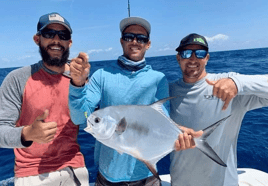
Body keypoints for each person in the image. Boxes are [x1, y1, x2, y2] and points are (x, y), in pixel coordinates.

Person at [69, 17, 202, 186]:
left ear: (148, 44)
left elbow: (161, 120)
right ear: (121, 41)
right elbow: (81, 117)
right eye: (129, 36)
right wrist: (77, 85)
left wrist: (180, 135)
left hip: (146, 176)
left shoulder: (158, 79)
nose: (134, 42)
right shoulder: (101, 75)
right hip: (107, 177)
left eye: (141, 38)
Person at [0, 12, 89, 186]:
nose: (56, 40)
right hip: (30, 173)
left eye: (63, 36)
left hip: (74, 168)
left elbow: (87, 122)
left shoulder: (80, 77)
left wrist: (79, 85)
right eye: (49, 34)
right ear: (37, 39)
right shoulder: (17, 78)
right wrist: (27, 134)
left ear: (69, 42)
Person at [169, 33, 268, 186]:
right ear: (178, 58)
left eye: (200, 53)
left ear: (207, 58)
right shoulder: (168, 91)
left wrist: (238, 82)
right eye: (187, 53)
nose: (193, 59)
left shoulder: (229, 86)